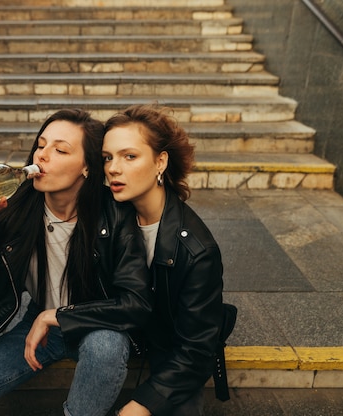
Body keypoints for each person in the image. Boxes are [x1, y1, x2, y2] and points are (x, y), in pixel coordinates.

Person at [0, 108, 153, 416]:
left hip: (97, 324)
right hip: (38, 328)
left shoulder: (116, 216)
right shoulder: (14, 207)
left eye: (60, 150)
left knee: (106, 344)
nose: (43, 156)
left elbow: (136, 303)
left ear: (87, 167)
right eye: (41, 145)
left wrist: (55, 315)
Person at [102, 104, 235, 416]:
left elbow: (193, 351)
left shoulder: (197, 251)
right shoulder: (108, 213)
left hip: (172, 342)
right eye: (107, 157)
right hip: (122, 332)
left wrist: (141, 405)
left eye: (129, 156)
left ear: (160, 161)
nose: (113, 168)